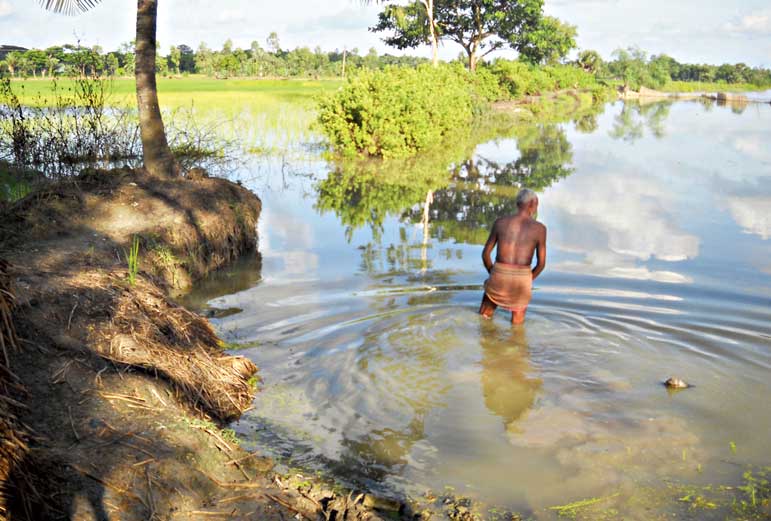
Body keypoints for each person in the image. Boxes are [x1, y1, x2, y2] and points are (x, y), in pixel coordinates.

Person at [479, 189, 547, 325]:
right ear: (533, 203)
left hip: (499, 274)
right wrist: (528, 279)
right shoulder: (540, 229)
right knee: (517, 326)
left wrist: (493, 273)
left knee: (484, 318)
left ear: (518, 203)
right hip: (522, 281)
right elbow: (541, 264)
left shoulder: (500, 222)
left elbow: (485, 254)